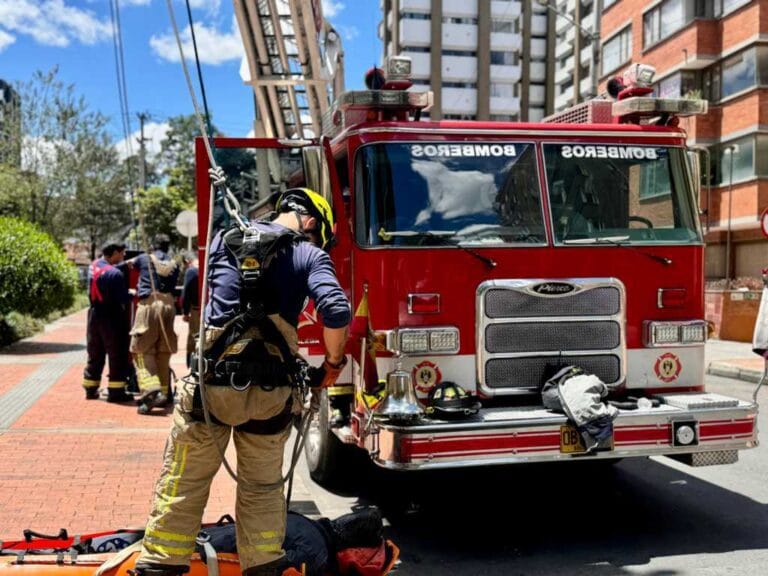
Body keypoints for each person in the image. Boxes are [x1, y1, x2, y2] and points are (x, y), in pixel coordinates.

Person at [134, 188, 351, 576]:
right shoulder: (309, 254)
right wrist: (332, 364)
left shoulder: (224, 238)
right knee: (262, 489)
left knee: (183, 483)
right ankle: (263, 565)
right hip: (270, 396)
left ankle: (160, 565)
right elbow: (335, 309)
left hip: (211, 391)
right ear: (310, 222)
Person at [129, 233, 181, 414]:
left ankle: (151, 392)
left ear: (153, 246)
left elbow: (130, 265)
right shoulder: (175, 263)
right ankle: (164, 394)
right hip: (169, 306)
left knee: (141, 350)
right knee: (163, 351)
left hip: (150, 304)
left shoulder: (144, 258)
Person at [82, 242, 135, 403]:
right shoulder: (116, 274)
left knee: (95, 352)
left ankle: (90, 388)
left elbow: (104, 272)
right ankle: (116, 392)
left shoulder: (93, 267)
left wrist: (123, 265)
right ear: (115, 253)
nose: (123, 256)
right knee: (117, 353)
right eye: (122, 254)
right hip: (112, 317)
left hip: (94, 316)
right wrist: (132, 293)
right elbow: (122, 298)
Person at [181, 254, 200, 369]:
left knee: (193, 338)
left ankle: (192, 366)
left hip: (196, 310)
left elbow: (186, 293)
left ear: (187, 261)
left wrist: (185, 312)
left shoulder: (191, 271)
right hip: (210, 308)